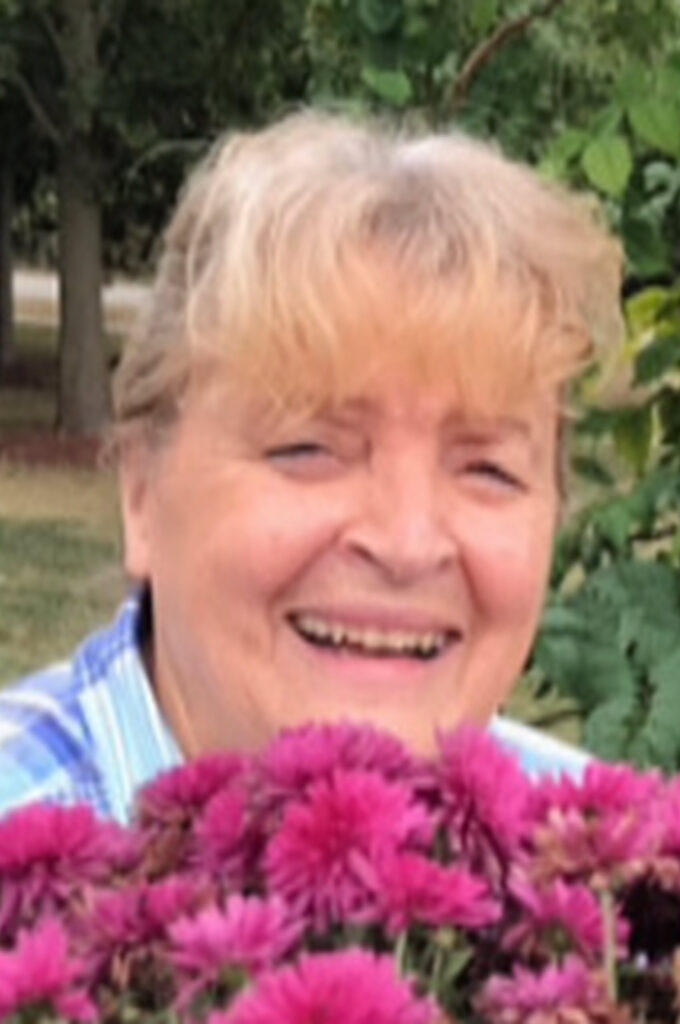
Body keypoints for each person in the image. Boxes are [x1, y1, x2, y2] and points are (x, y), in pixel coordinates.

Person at [0, 111, 622, 822]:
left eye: (488, 469)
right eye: (308, 449)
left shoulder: (624, 879)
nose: (406, 543)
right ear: (141, 492)